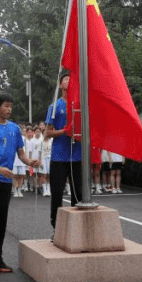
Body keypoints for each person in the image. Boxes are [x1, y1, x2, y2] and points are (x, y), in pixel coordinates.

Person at [0, 93, 40, 276]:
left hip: (5, 180)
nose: (9, 109)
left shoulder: (15, 129)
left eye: (10, 106)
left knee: (0, 221)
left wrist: (29, 162)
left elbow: (21, 153)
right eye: (5, 106)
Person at [45, 70, 83, 231]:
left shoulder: (81, 105)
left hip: (77, 156)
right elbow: (47, 132)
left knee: (78, 195)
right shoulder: (54, 107)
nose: (69, 82)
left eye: (71, 80)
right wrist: (64, 131)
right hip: (59, 157)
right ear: (60, 85)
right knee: (57, 194)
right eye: (66, 79)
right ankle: (57, 228)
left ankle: (77, 229)